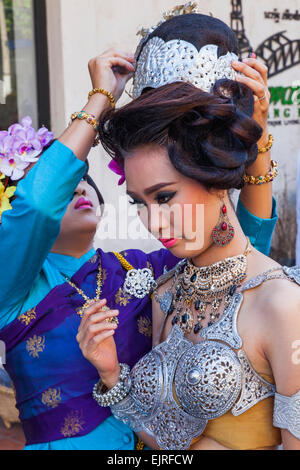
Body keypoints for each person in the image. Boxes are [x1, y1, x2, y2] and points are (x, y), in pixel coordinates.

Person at [0, 9, 277, 451]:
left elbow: (242, 246)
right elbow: (34, 203)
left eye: (86, 179)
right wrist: (98, 101)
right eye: (66, 182)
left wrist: (255, 140)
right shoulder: (12, 290)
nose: (80, 187)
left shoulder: (144, 273)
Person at [79, 12, 300, 451]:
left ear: (216, 177)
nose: (153, 223)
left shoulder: (283, 305)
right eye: (139, 203)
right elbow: (165, 445)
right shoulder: (166, 293)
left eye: (164, 196)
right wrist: (111, 373)